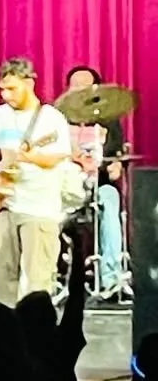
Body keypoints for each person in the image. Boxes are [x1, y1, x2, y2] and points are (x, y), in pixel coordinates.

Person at [0, 57, 71, 307]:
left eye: (12, 89)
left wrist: (30, 157)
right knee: (3, 274)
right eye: (2, 89)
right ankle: (6, 330)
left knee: (37, 280)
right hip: (1, 206)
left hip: (38, 206)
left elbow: (56, 156)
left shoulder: (50, 120)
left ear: (30, 83)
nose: (6, 95)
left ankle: (35, 334)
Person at [64, 64, 128, 295]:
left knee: (110, 199)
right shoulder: (56, 119)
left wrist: (117, 164)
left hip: (98, 185)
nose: (81, 91)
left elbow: (118, 154)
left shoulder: (109, 121)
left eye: (86, 86)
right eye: (76, 86)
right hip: (63, 186)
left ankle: (110, 277)